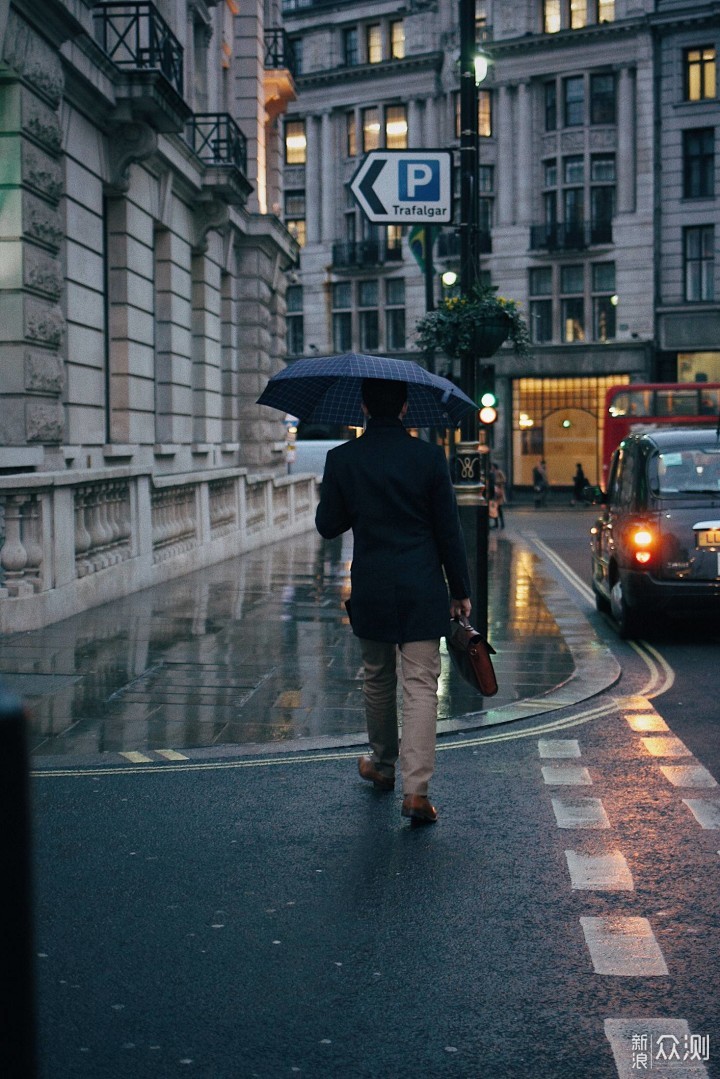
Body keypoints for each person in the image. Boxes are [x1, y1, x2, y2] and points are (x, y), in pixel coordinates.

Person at [315, 378, 472, 825]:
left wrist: (344, 496)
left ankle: (382, 767)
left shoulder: (342, 458)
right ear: (405, 409)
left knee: (378, 679)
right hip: (423, 587)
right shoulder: (428, 458)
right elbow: (448, 530)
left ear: (363, 406)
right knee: (420, 685)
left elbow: (328, 526)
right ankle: (416, 791)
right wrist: (459, 590)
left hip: (372, 587)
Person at [489, 461, 506, 529]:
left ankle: (502, 524)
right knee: (494, 509)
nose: (492, 467)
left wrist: (497, 482)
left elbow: (504, 480)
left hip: (499, 492)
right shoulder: (492, 473)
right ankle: (496, 523)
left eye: (493, 466)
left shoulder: (499, 472)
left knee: (499, 509)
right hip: (494, 492)